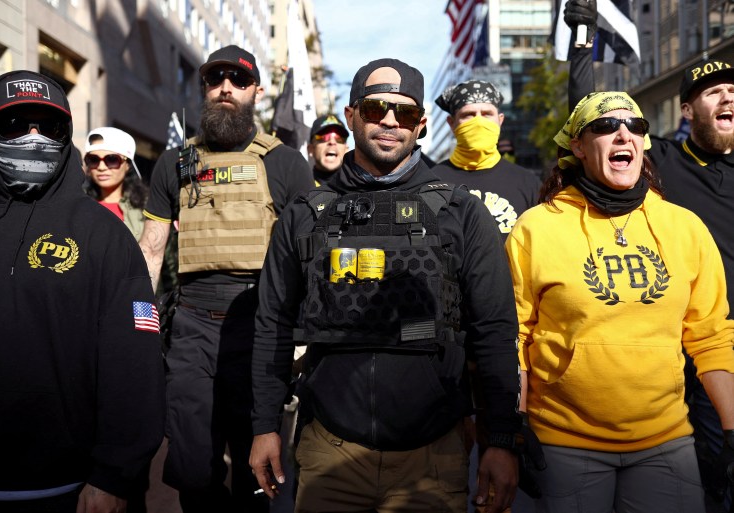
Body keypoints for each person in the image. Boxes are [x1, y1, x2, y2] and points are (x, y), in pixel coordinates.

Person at [249, 57, 522, 513]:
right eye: (376, 108)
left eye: (406, 112)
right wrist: (264, 425)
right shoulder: (304, 213)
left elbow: (494, 330)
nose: (391, 121)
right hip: (330, 451)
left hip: (432, 456)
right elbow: (272, 324)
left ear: (421, 124)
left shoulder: (462, 214)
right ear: (352, 114)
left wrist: (501, 439)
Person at [505, 90, 734, 513]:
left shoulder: (684, 227)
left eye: (635, 126)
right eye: (606, 125)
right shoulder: (536, 228)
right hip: (563, 445)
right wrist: (513, 427)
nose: (623, 134)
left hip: (666, 441)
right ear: (577, 146)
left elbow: (711, 336)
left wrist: (731, 428)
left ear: (644, 142)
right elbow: (514, 336)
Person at [0, 70, 164, 513]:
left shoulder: (104, 234)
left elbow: (134, 363)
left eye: (50, 126)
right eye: (15, 124)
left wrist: (114, 475)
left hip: (71, 489)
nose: (34, 137)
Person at [564, 1, 734, 508]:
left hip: (723, 348)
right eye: (713, 91)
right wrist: (582, 39)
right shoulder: (660, 160)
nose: (728, 96)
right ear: (687, 110)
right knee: (705, 466)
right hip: (682, 344)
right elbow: (590, 118)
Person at [138, 44, 313, 512]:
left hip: (261, 328)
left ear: (256, 90)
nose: (226, 89)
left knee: (256, 475)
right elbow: (151, 251)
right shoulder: (175, 162)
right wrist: (136, 323)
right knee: (193, 471)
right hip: (192, 328)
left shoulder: (285, 163)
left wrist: (302, 334)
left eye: (238, 80)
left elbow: (308, 256)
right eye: (216, 80)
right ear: (205, 89)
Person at [431, 80, 540, 240]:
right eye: (468, 115)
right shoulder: (431, 182)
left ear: (500, 120)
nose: (479, 122)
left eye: (487, 114)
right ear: (451, 123)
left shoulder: (529, 184)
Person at [83, 127, 148, 240]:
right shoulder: (77, 203)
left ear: (127, 164)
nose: (101, 167)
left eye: (112, 159)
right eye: (93, 159)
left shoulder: (148, 206)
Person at [307, 114, 350, 186]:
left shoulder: (360, 186)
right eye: (323, 137)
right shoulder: (299, 187)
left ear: (346, 149)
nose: (332, 142)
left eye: (339, 139)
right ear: (310, 149)